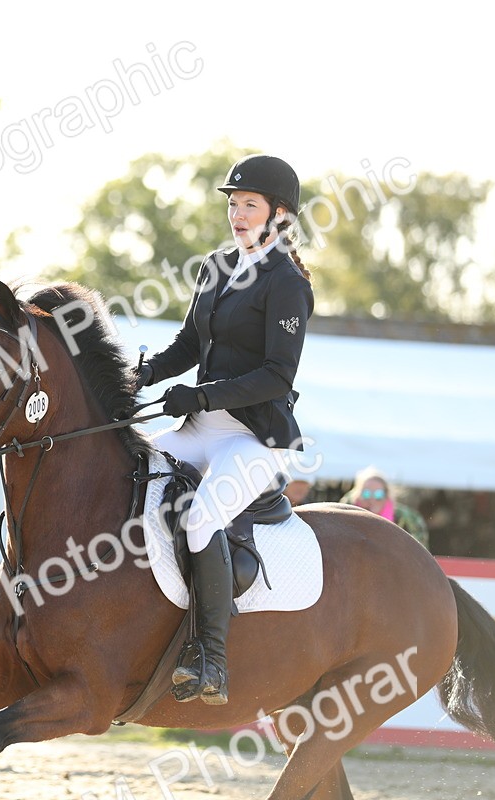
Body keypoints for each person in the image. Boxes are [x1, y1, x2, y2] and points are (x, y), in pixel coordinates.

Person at [135, 154, 314, 706]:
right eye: (233, 204)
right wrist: (141, 374)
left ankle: (211, 658)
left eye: (249, 205)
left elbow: (276, 375)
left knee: (200, 516)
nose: (237, 213)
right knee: (128, 475)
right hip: (200, 427)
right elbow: (190, 345)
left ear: (279, 213)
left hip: (254, 439)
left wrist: (203, 393)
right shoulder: (214, 266)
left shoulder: (287, 283)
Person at [340, 467, 430, 549]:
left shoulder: (406, 519)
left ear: (386, 495)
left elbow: (420, 550)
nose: (372, 499)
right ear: (358, 495)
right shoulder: (345, 513)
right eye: (366, 494)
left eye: (378, 494)